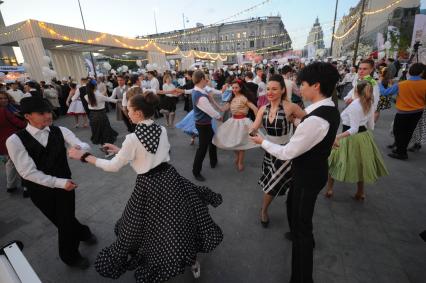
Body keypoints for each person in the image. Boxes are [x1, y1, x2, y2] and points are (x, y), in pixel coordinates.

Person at [68, 92, 223, 282]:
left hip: (149, 187)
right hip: (170, 180)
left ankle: (165, 257)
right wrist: (121, 151)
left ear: (139, 114)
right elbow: (155, 154)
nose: (127, 112)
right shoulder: (161, 130)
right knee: (181, 222)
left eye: (130, 110)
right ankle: (192, 260)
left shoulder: (132, 139)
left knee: (149, 228)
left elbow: (113, 166)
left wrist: (84, 157)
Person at [251, 62, 341, 283]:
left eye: (303, 84)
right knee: (293, 204)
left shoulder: (316, 118)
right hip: (312, 170)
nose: (300, 88)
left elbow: (287, 152)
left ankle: (301, 277)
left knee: (303, 229)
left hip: (306, 174)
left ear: (316, 86)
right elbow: (308, 125)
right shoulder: (325, 111)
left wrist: (262, 141)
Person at [6, 96, 96, 269]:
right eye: (41, 113)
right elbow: (27, 172)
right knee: (62, 220)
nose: (48, 115)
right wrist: (58, 183)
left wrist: (79, 149)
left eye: (48, 111)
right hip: (39, 190)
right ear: (27, 116)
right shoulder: (15, 140)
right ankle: (83, 232)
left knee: (64, 221)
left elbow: (83, 145)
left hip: (66, 186)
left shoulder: (60, 130)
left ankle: (69, 256)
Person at [249, 74, 305, 228]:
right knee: (272, 184)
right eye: (268, 89)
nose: (270, 92)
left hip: (286, 152)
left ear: (282, 90)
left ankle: (266, 210)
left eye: (274, 89)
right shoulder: (263, 109)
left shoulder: (290, 106)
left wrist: (294, 120)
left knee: (273, 184)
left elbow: (309, 121)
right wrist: (251, 131)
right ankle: (264, 210)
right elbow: (255, 126)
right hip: (269, 151)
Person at [326, 80, 388, 200]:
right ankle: (360, 192)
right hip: (364, 137)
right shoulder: (369, 103)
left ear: (356, 91)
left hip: (348, 138)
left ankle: (329, 189)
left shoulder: (355, 105)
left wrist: (337, 137)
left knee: (334, 162)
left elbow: (353, 129)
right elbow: (371, 125)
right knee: (361, 165)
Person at [378, 63, 426, 160]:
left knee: (398, 131)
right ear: (422, 73)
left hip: (403, 112)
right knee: (408, 132)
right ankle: (401, 149)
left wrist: (380, 83)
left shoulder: (401, 84)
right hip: (418, 111)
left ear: (410, 71)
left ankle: (401, 152)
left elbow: (385, 92)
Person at [211, 79, 259, 171]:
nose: (234, 89)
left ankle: (240, 162)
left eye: (236, 87)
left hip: (243, 123)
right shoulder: (232, 98)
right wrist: (213, 100)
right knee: (231, 142)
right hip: (232, 122)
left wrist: (257, 122)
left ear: (241, 88)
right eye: (233, 88)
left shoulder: (244, 98)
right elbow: (223, 109)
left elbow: (255, 109)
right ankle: (238, 157)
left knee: (241, 143)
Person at [191, 70, 222, 182]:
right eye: (205, 78)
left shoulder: (199, 90)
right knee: (202, 149)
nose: (207, 80)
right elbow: (210, 111)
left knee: (212, 141)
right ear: (202, 79)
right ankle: (196, 171)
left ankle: (213, 161)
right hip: (203, 125)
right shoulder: (200, 95)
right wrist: (219, 116)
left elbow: (212, 91)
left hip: (204, 124)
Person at [0, 91, 26, 195]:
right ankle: (26, 187)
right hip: (13, 140)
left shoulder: (8, 109)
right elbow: (18, 123)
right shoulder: (4, 111)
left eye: (5, 98)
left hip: (3, 143)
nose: (4, 100)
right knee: (21, 162)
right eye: (1, 98)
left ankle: (10, 185)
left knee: (10, 163)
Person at [84, 79, 119, 145]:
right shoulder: (99, 96)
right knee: (105, 131)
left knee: (97, 131)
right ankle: (107, 149)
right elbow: (112, 100)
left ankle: (104, 147)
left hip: (92, 115)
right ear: (95, 87)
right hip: (101, 114)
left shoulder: (86, 96)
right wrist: (122, 99)